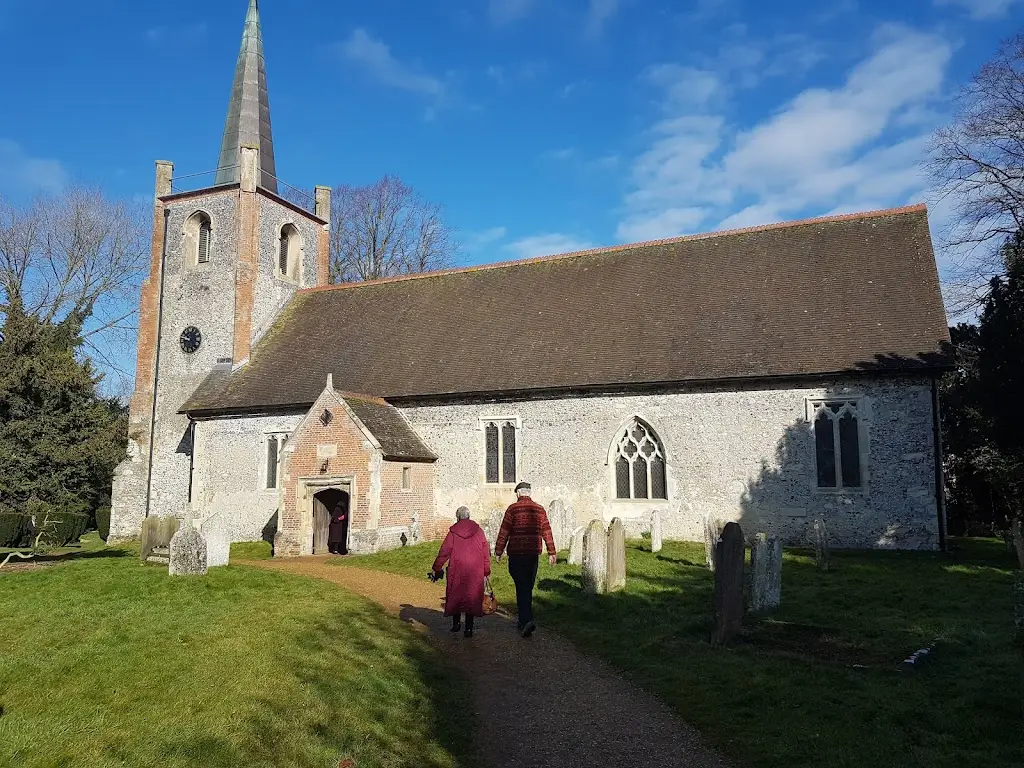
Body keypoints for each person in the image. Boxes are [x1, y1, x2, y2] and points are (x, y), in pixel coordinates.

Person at [494, 481, 556, 638]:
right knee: (527, 586)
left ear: (518, 493)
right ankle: (524, 620)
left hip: (516, 554)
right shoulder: (540, 509)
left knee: (521, 586)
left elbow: (504, 531)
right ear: (529, 492)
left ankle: (527, 620)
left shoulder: (512, 509)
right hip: (532, 554)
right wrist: (551, 551)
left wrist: (498, 551)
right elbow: (546, 531)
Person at [431, 506, 491, 638]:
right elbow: (485, 553)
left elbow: (444, 551)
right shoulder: (479, 531)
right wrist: (486, 571)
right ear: (469, 516)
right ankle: (469, 628)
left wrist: (437, 567)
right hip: (475, 569)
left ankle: (456, 624)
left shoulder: (453, 532)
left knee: (456, 594)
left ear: (457, 517)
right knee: (471, 597)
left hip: (457, 568)